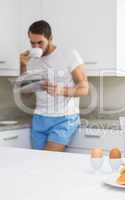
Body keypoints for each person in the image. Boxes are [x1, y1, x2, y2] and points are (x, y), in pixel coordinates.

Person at [19, 20, 89, 152]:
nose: (36, 47)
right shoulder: (31, 59)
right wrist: (23, 65)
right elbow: (23, 90)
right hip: (39, 118)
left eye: (40, 42)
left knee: (48, 160)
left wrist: (62, 90)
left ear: (50, 38)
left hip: (64, 118)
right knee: (37, 164)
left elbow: (84, 88)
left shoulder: (69, 54)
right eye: (32, 43)